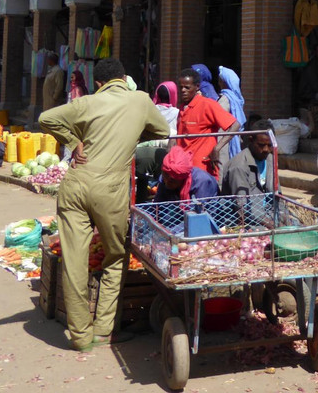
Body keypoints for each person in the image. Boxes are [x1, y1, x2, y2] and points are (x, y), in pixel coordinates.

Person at [39, 58, 169, 351]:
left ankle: (81, 337)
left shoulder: (86, 103)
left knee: (74, 261)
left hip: (74, 185)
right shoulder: (140, 100)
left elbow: (46, 118)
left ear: (98, 83)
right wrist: (133, 133)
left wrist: (74, 142)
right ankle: (103, 331)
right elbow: (162, 132)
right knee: (115, 255)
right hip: (110, 189)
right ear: (124, 78)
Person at [177, 67, 238, 176]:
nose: (183, 90)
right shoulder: (182, 108)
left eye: (187, 87)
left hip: (203, 172)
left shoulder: (208, 105)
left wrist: (217, 148)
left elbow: (235, 125)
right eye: (181, 87)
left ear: (197, 87)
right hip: (184, 169)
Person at [154, 145, 219, 202]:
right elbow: (157, 206)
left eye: (172, 180)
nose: (167, 181)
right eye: (166, 175)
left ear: (182, 178)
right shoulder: (163, 179)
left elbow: (199, 211)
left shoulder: (201, 182)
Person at [221, 130, 275, 196]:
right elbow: (242, 202)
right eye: (261, 145)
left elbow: (277, 193)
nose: (266, 149)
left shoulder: (270, 159)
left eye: (270, 145)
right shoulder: (238, 166)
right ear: (251, 140)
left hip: (268, 205)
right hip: (249, 205)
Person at [217, 66, 246, 161]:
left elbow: (219, 118)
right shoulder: (237, 98)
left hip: (223, 140)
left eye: (220, 80)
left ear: (224, 82)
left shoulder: (226, 98)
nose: (218, 83)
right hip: (232, 137)